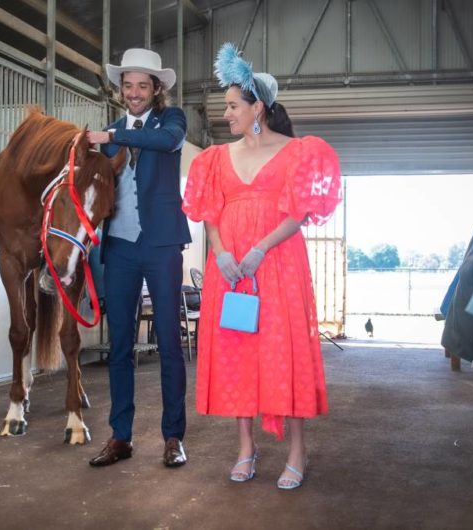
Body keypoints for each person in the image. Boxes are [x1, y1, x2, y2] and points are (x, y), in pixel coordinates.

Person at [182, 43, 342, 489]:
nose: (226, 114)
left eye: (233, 106)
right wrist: (222, 251)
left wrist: (261, 248)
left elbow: (301, 212)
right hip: (231, 270)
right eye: (226, 107)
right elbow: (209, 212)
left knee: (283, 352)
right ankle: (245, 448)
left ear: (258, 108)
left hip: (278, 265)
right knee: (237, 354)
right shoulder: (215, 157)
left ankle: (296, 452)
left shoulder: (297, 152)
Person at [83, 48, 192, 468]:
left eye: (142, 86)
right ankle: (120, 437)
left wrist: (112, 138)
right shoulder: (109, 132)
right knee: (122, 346)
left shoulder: (172, 122)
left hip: (162, 244)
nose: (133, 93)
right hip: (121, 248)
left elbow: (165, 142)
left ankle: (173, 436)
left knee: (168, 341)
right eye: (127, 85)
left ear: (156, 89)